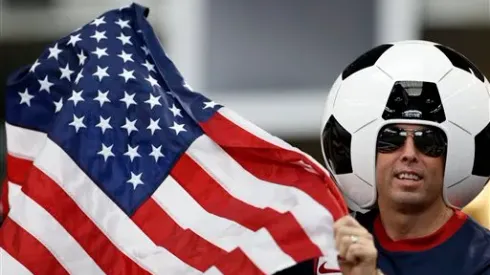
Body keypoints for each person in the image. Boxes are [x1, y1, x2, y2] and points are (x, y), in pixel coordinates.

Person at [276, 40, 490, 275]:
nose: (409, 154)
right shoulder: (329, 250)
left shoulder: (482, 261)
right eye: (391, 139)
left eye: (428, 141)